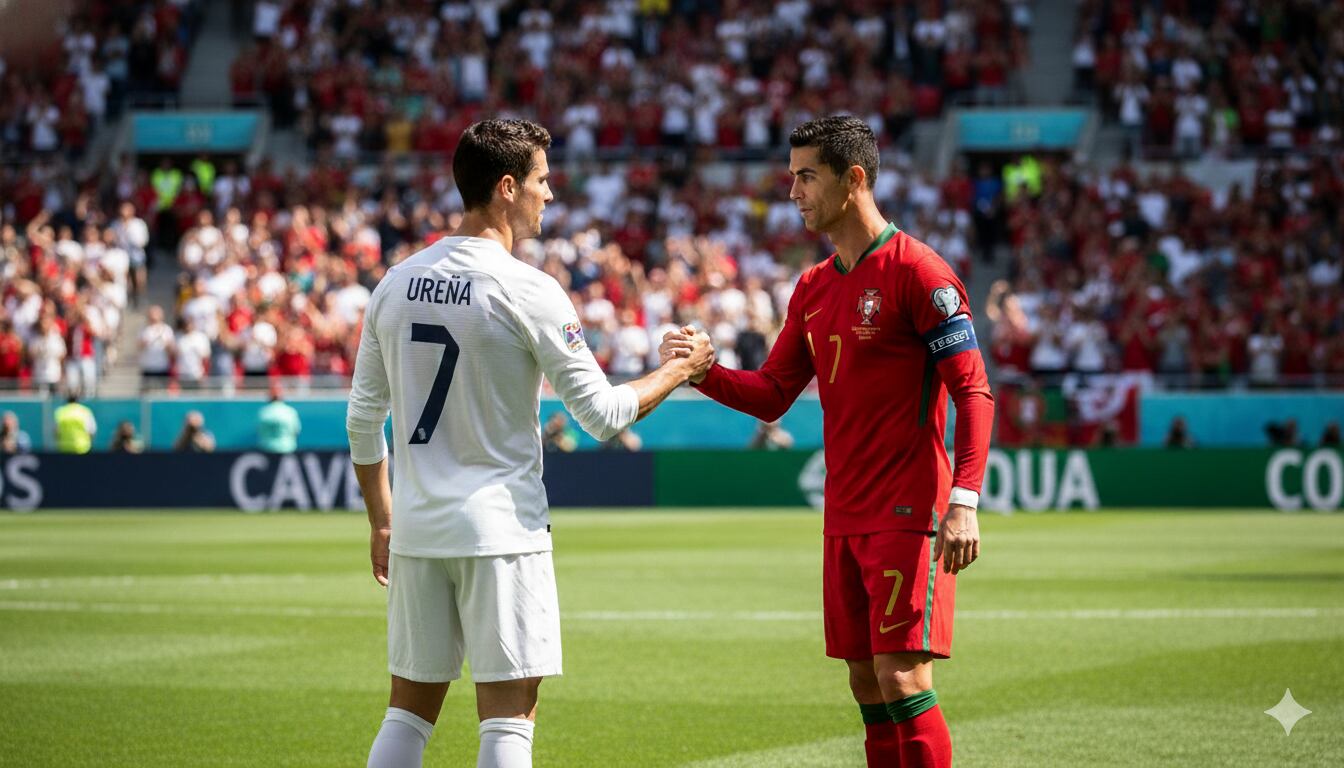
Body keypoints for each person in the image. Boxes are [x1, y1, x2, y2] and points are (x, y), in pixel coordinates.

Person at [345, 118, 713, 768]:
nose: (550, 194)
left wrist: (382, 520)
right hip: (501, 532)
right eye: (542, 180)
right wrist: (681, 370)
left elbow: (361, 421)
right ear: (508, 187)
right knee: (508, 720)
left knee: (406, 713)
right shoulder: (527, 288)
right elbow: (601, 414)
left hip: (419, 531)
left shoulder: (394, 283)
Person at [661, 116, 994, 768]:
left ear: (854, 179)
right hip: (843, 512)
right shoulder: (813, 286)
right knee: (866, 682)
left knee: (902, 676)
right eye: (793, 177)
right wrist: (702, 372)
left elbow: (973, 390)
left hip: (908, 509)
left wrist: (964, 500)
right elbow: (772, 393)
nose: (794, 193)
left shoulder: (919, 272)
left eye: (807, 177)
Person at [257, 384, 302, 453]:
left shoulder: (263, 412)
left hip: (267, 447)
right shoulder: (290, 412)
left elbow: (260, 430)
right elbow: (296, 430)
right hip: (287, 447)